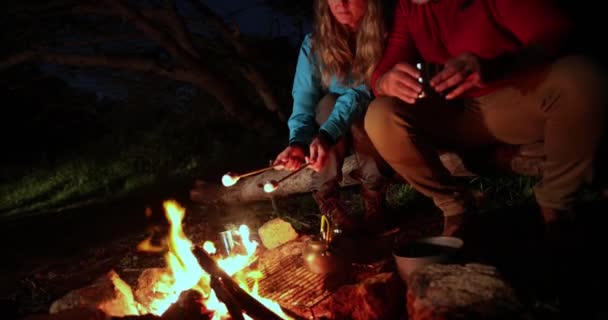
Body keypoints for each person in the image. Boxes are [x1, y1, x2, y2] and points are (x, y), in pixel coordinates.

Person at [364, 0, 607, 240]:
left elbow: (554, 32)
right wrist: (384, 81)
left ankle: (557, 203)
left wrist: (493, 67)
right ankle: (454, 205)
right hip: (453, 112)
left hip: (513, 100)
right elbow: (384, 68)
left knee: (581, 77)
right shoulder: (409, 7)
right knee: (380, 114)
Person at [273, 0, 391, 235]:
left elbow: (361, 92)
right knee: (327, 103)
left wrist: (327, 135)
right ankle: (328, 199)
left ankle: (374, 194)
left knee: (370, 108)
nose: (340, 3)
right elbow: (304, 99)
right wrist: (297, 143)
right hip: (334, 133)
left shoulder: (385, 35)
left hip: (372, 125)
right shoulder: (314, 45)